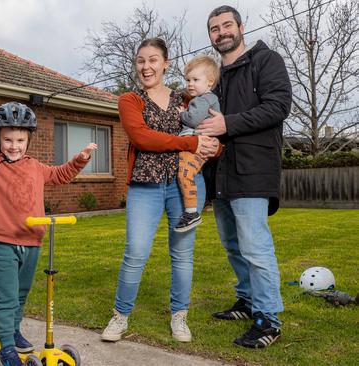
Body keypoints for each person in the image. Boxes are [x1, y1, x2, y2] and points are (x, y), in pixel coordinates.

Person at [0, 87, 97, 366]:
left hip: (33, 241)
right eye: (8, 139)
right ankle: (7, 350)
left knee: (21, 294)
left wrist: (81, 159)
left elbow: (61, 175)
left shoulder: (35, 167)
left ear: (28, 140)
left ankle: (9, 332)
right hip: (3, 242)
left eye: (20, 140)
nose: (14, 146)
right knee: (6, 297)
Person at [100, 38, 219, 343]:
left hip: (186, 186)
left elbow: (211, 132)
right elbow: (144, 139)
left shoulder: (186, 98)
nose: (146, 66)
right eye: (141, 60)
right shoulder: (130, 100)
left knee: (182, 254)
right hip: (146, 186)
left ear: (166, 63)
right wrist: (191, 143)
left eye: (153, 60)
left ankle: (180, 316)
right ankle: (120, 316)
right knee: (136, 252)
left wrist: (212, 147)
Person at [197, 5, 292, 349]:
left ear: (240, 27)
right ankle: (248, 301)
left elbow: (278, 106)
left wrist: (228, 124)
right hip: (219, 175)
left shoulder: (267, 61)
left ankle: (269, 319)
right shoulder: (215, 77)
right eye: (214, 29)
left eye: (226, 26)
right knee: (233, 245)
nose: (221, 33)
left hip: (252, 172)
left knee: (256, 247)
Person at [174, 55, 221, 232]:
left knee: (185, 174)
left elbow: (193, 119)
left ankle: (192, 213)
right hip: (199, 141)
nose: (190, 84)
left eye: (195, 79)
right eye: (187, 80)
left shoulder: (202, 99)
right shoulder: (207, 99)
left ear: (210, 82)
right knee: (187, 173)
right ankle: (192, 210)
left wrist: (182, 114)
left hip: (199, 142)